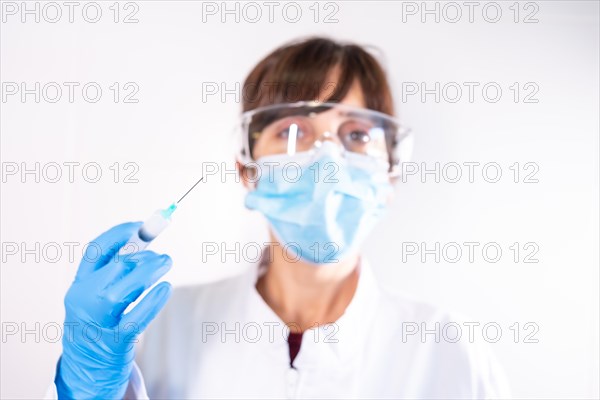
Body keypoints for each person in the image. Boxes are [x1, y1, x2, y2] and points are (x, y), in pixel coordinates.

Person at [48, 37, 510, 399]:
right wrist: (87, 393)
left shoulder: (448, 350)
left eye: (356, 134)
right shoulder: (160, 330)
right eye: (292, 131)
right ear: (247, 169)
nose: (327, 159)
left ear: (389, 173)